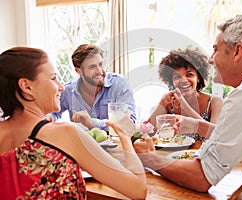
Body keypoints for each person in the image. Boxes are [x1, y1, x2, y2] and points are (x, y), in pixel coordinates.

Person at [133, 13, 242, 199]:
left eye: (215, 50)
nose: (211, 59)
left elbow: (201, 178)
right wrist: (196, 125)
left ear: (237, 52)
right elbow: (232, 137)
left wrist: (149, 158)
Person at [0, 47, 147, 199]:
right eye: (53, 78)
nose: (61, 86)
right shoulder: (64, 134)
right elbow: (138, 189)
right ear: (26, 86)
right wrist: (124, 137)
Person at [51, 44, 136, 131]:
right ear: (79, 71)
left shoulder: (119, 84)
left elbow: (129, 123)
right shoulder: (68, 91)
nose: (99, 71)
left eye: (100, 64)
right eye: (92, 67)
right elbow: (51, 112)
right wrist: (49, 118)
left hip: (116, 143)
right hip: (80, 143)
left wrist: (93, 123)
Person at [148, 47, 223, 140]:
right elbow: (148, 130)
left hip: (201, 154)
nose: (183, 80)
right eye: (177, 76)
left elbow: (215, 136)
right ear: (171, 80)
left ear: (199, 77)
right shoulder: (168, 99)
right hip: (170, 154)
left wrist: (184, 105)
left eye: (189, 75)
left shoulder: (214, 101)